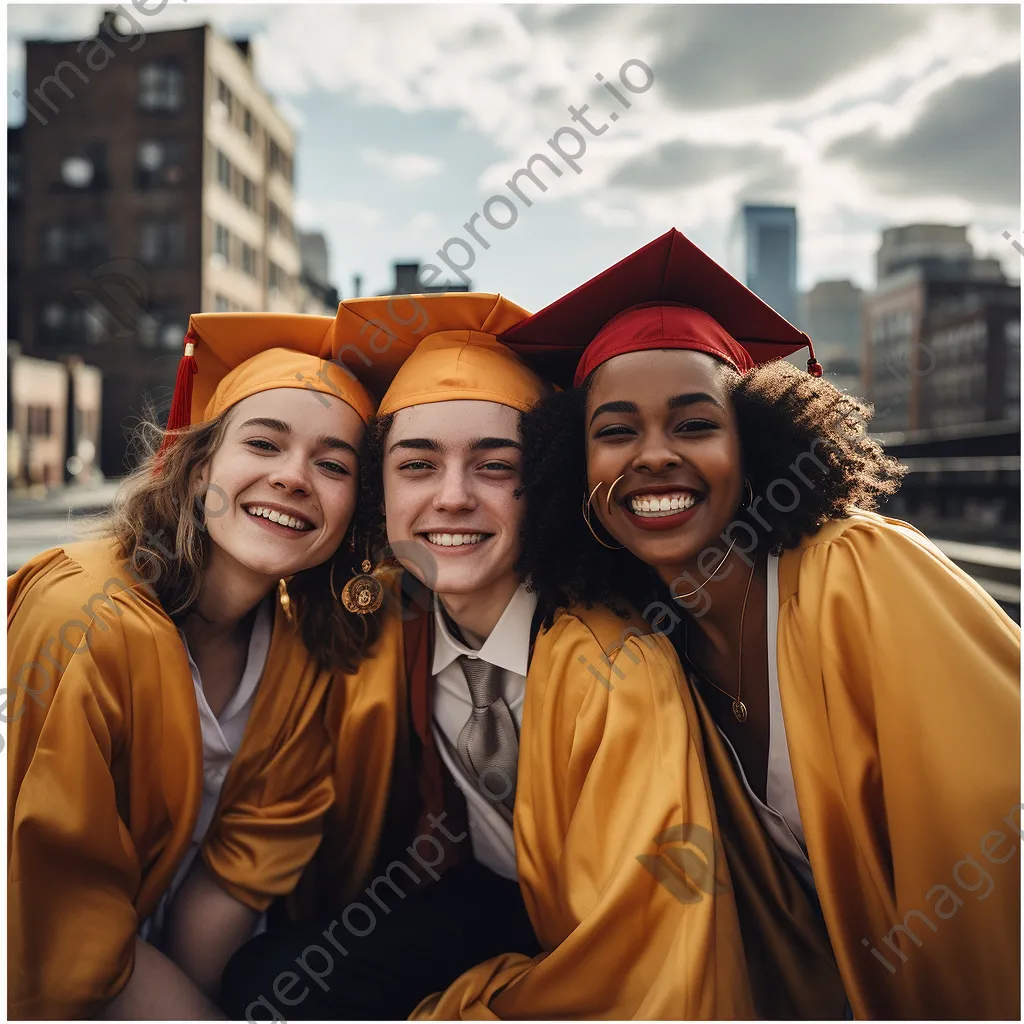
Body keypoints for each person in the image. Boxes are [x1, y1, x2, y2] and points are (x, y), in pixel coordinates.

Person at [504, 227, 1022, 1019]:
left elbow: (996, 833)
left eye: (694, 424)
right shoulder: (648, 649)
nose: (652, 456)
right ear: (575, 472)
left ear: (759, 445)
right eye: (615, 432)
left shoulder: (859, 573)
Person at [221, 293, 755, 1021]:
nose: (452, 497)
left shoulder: (613, 668)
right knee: (273, 982)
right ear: (379, 496)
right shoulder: (388, 622)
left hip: (602, 929)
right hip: (496, 893)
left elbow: (647, 943)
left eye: (495, 467)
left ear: (546, 483)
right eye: (416, 466)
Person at [6, 312, 389, 1019]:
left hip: (179, 970)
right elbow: (52, 904)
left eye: (333, 464)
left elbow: (238, 876)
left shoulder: (303, 646)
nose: (293, 478)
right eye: (263, 443)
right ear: (200, 466)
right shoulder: (83, 614)